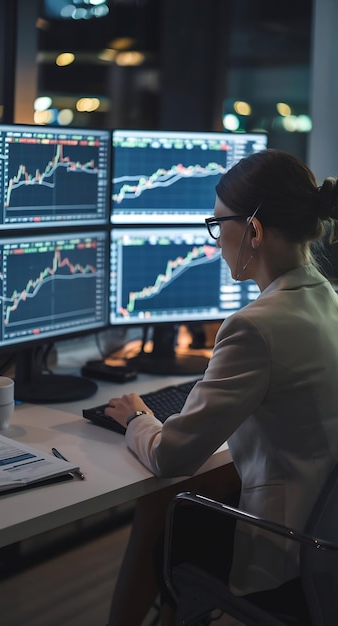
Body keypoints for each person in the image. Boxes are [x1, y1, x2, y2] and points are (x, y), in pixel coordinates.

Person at [105, 149, 338, 626]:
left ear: (252, 231)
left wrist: (136, 417)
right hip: (325, 541)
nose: (215, 241)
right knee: (204, 487)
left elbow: (172, 457)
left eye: (218, 225)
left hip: (286, 554)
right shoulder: (327, 299)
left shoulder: (254, 327)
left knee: (161, 508)